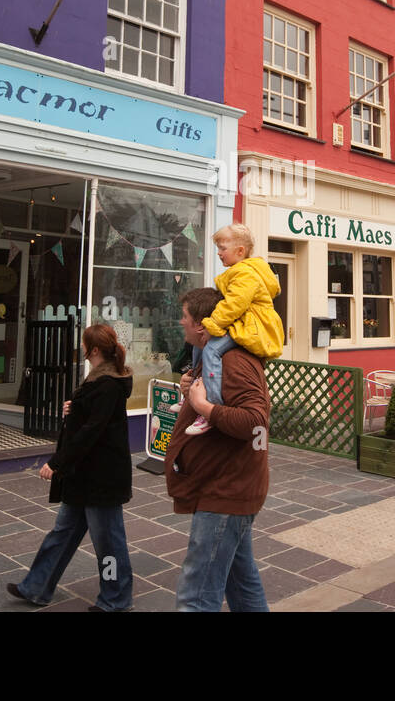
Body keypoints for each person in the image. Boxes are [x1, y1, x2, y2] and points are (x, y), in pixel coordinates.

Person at [7, 324, 134, 611]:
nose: (82, 350)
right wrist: (73, 408)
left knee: (109, 544)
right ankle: (36, 587)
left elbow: (93, 430)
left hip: (101, 480)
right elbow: (90, 417)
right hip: (83, 477)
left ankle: (116, 600)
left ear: (95, 350)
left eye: (85, 345)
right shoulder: (99, 379)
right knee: (62, 534)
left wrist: (57, 462)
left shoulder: (108, 383)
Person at [166, 287, 271, 612]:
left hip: (225, 491)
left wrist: (204, 407)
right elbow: (214, 395)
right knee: (241, 583)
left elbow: (256, 421)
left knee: (195, 597)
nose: (180, 322)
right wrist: (191, 391)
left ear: (201, 324)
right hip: (224, 488)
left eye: (184, 316)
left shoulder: (233, 360)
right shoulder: (211, 357)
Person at [175, 223, 283, 437]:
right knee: (199, 345)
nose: (219, 253)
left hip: (250, 327)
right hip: (240, 323)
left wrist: (211, 325)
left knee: (211, 350)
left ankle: (209, 406)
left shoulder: (245, 274)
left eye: (223, 248)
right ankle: (192, 391)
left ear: (240, 251)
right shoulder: (239, 272)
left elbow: (234, 304)